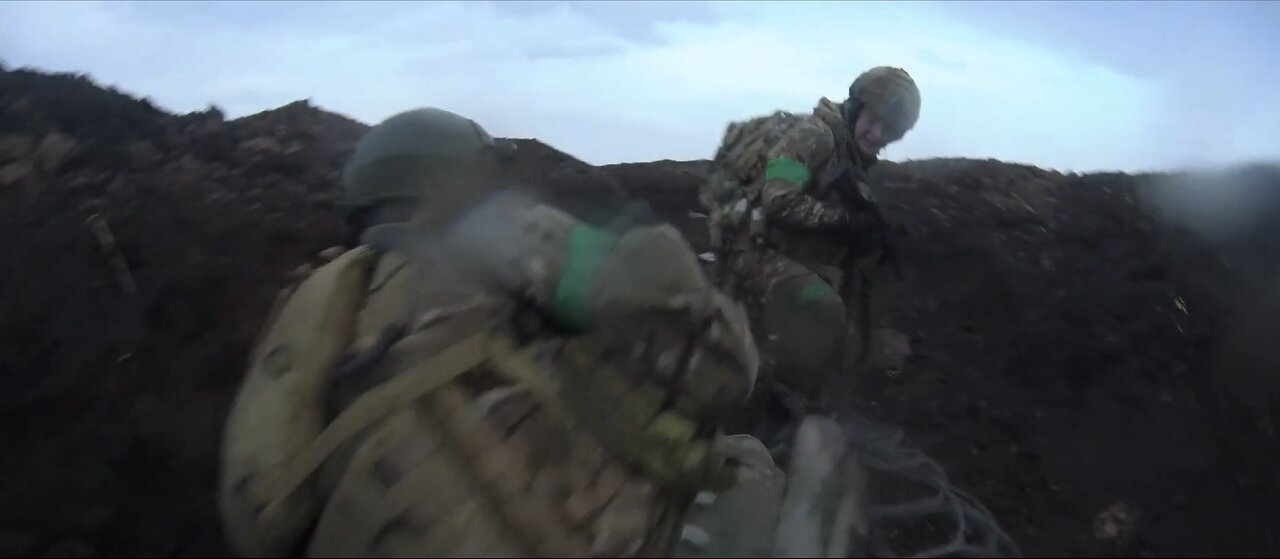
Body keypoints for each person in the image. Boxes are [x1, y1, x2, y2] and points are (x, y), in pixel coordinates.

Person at [700, 66, 921, 406]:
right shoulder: (816, 136)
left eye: (889, 130)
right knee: (823, 307)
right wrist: (845, 219)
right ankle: (777, 402)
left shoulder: (853, 155)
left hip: (778, 250)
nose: (877, 134)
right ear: (856, 107)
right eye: (873, 120)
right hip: (747, 252)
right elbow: (778, 200)